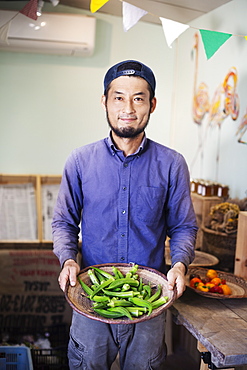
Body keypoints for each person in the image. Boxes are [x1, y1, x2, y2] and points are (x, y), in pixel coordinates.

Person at [52, 59, 198, 370]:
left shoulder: (172, 164)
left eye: (138, 98)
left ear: (152, 104)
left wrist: (181, 266)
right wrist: (67, 259)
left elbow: (184, 226)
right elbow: (64, 222)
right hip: (91, 293)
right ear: (104, 101)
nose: (127, 107)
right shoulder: (80, 161)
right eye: (118, 97)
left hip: (151, 295)